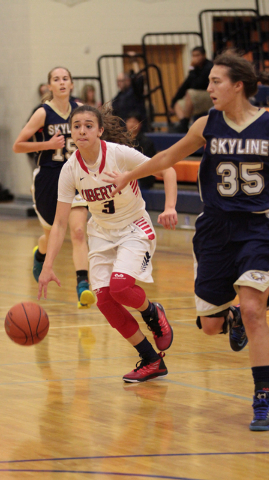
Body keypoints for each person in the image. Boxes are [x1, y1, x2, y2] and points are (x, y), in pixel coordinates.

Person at [104, 52, 269, 430]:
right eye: (209, 81)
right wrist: (129, 176)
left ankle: (263, 395)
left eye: (215, 82)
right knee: (210, 326)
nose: (208, 88)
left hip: (256, 228)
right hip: (214, 229)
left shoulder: (266, 125)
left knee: (254, 309)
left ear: (238, 85)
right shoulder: (207, 124)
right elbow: (166, 156)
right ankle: (231, 316)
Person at [37, 104, 178, 382]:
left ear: (100, 130)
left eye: (88, 125)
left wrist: (170, 206)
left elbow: (168, 169)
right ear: (70, 132)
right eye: (76, 126)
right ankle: (151, 360)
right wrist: (48, 265)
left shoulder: (118, 155)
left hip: (133, 227)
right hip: (101, 232)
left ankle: (152, 312)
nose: (82, 131)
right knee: (104, 300)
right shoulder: (70, 170)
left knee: (121, 287)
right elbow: (61, 223)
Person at [13, 66, 95, 309]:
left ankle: (83, 286)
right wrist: (47, 143)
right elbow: (18, 145)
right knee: (52, 235)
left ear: (71, 84)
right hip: (49, 178)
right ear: (49, 86)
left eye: (65, 78)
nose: (61, 83)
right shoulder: (43, 113)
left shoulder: (81, 111)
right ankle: (40, 254)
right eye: (56, 79)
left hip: (76, 177)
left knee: (79, 232)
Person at [169, 46, 213, 133]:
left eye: (197, 55)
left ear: (204, 55)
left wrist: (191, 68)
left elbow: (197, 84)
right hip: (196, 97)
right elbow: (186, 84)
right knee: (178, 104)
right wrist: (173, 102)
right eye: (193, 56)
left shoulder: (209, 67)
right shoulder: (195, 68)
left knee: (190, 92)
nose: (195, 58)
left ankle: (184, 124)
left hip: (210, 95)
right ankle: (183, 125)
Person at [111, 52, 148, 132]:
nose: (118, 83)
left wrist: (134, 61)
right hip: (123, 130)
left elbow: (139, 78)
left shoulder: (135, 92)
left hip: (138, 130)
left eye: (121, 81)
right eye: (118, 81)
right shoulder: (118, 96)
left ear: (128, 81)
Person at [125, 112, 156, 189]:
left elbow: (146, 163)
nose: (132, 124)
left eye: (134, 122)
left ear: (140, 124)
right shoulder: (122, 140)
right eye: (129, 121)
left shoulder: (146, 142)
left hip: (142, 177)